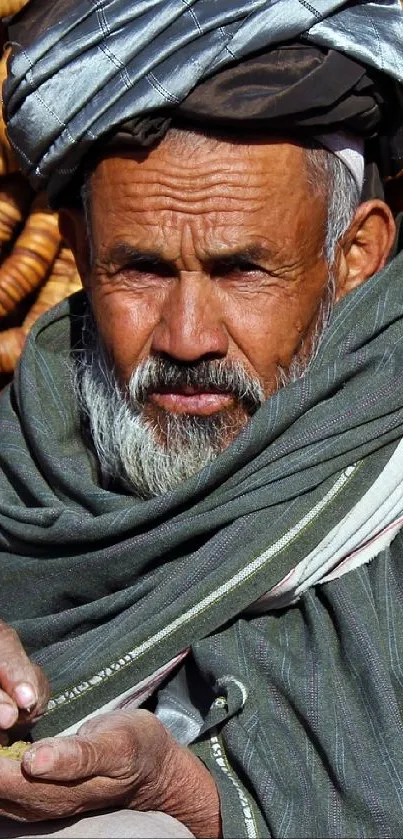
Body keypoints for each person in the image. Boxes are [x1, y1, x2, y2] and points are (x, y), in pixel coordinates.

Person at [0, 0, 403, 837]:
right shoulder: (21, 451)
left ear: (354, 254)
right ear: (76, 249)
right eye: (139, 269)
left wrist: (189, 796)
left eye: (241, 270)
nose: (187, 338)